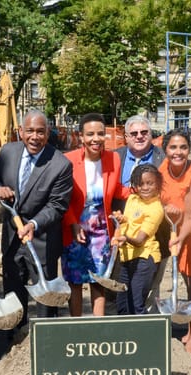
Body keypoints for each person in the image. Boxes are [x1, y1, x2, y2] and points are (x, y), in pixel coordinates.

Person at [0, 110, 73, 331]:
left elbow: (57, 206)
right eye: (30, 131)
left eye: (40, 132)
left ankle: (45, 340)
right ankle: (14, 344)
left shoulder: (60, 164)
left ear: (47, 133)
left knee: (45, 299)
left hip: (43, 240)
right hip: (12, 238)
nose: (34, 137)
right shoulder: (8, 152)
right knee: (13, 292)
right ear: (21, 132)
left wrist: (33, 224)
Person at [62, 113, 125, 317]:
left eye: (100, 133)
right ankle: (76, 326)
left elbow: (116, 191)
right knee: (75, 281)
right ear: (81, 137)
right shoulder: (68, 160)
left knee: (99, 282)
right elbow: (62, 198)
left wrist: (142, 193)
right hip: (75, 229)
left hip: (101, 232)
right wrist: (72, 223)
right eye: (90, 134)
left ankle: (98, 327)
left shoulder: (113, 158)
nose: (95, 139)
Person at [114, 116, 167, 311]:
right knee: (121, 292)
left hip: (151, 239)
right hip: (121, 241)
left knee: (145, 291)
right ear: (126, 137)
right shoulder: (114, 157)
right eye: (134, 133)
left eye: (144, 132)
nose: (139, 136)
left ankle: (145, 332)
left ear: (151, 135)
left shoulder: (164, 158)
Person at [160, 129, 191, 353]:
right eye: (173, 147)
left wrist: (179, 237)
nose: (178, 152)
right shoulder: (161, 172)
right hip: (175, 236)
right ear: (165, 149)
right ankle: (189, 330)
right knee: (185, 284)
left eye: (183, 147)